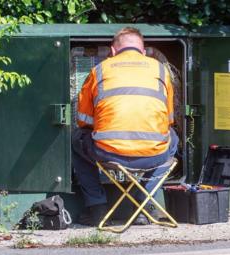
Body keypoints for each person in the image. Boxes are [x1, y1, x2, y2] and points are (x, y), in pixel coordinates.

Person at [72, 27, 178, 226]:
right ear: (144, 51)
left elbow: (83, 120)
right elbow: (170, 119)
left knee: (77, 139)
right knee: (173, 141)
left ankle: (97, 209)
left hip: (108, 154)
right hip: (153, 155)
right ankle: (142, 204)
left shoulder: (100, 70)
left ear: (112, 51)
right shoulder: (161, 70)